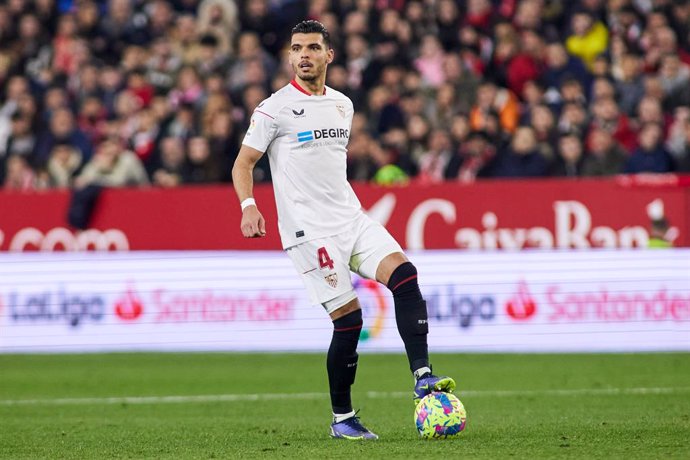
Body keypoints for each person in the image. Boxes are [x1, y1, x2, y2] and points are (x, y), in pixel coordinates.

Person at [231, 20, 455, 440]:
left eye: (313, 48)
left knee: (406, 277)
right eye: (297, 48)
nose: (303, 56)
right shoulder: (273, 108)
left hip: (351, 218)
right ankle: (342, 419)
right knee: (349, 319)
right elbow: (243, 163)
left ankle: (423, 376)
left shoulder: (343, 105)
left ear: (329, 55)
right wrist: (249, 206)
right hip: (308, 232)